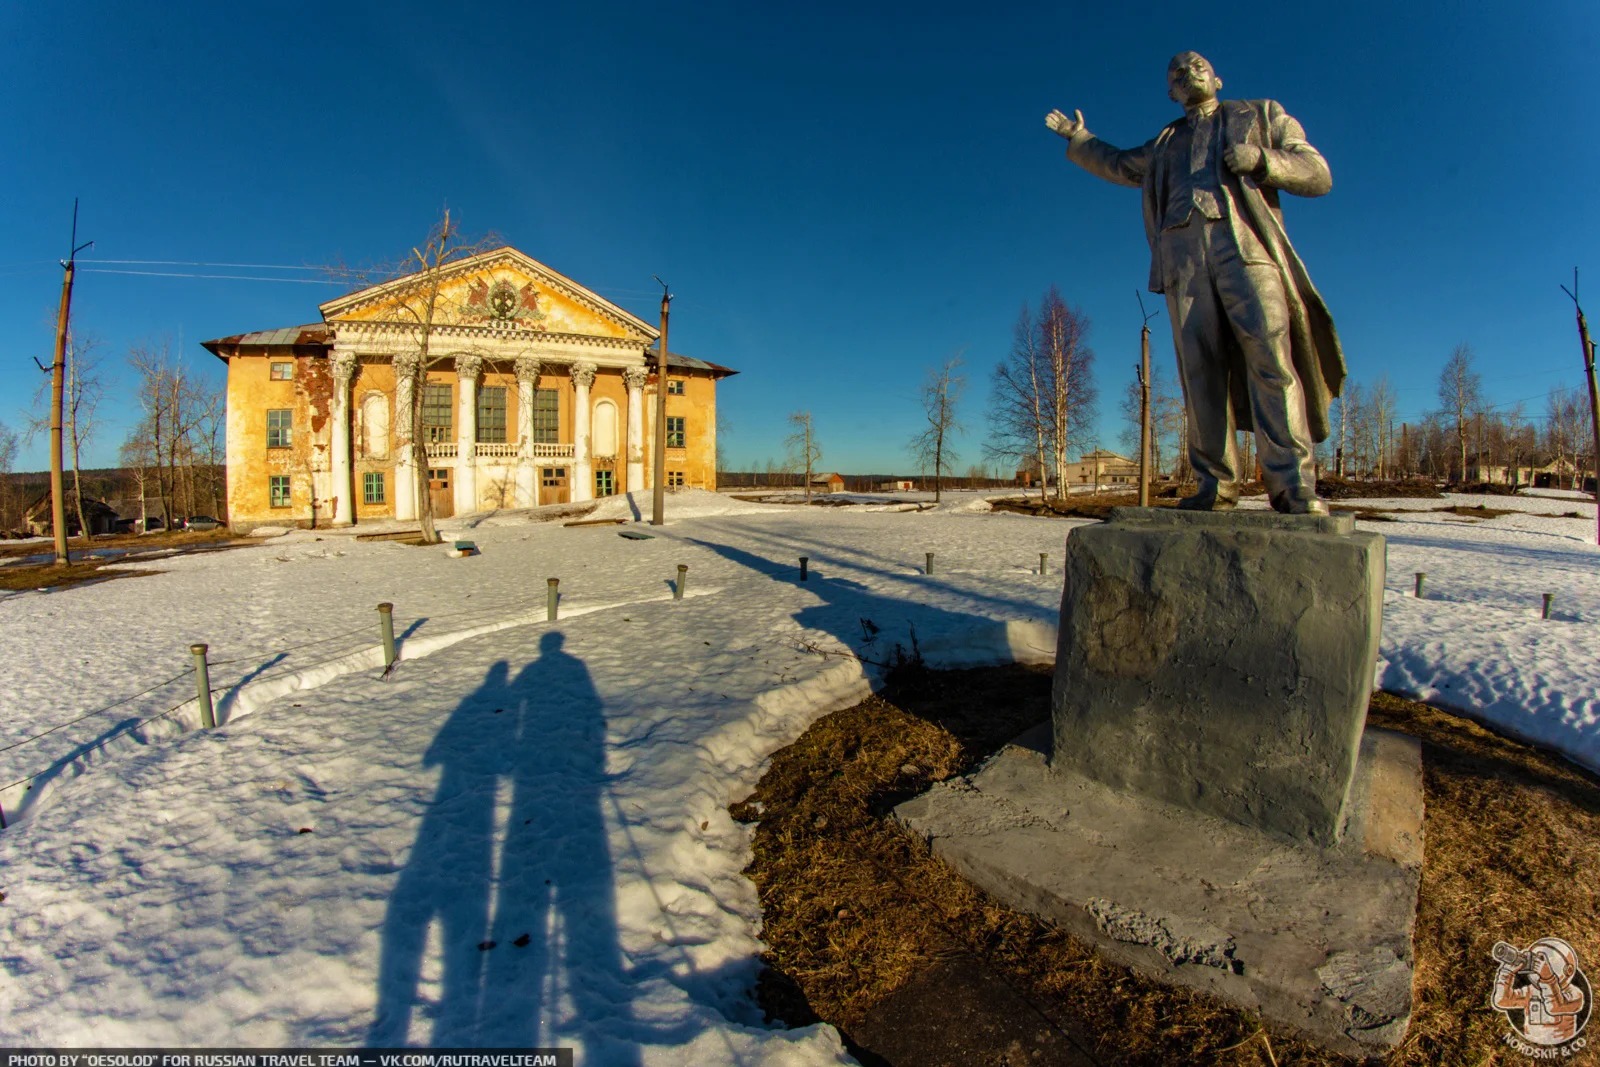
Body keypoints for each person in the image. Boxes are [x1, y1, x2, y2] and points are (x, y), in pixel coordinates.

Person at [1047, 52, 1345, 514]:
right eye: (1177, 74)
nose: (1188, 74)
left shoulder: (1262, 114)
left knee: (1270, 357)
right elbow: (1122, 164)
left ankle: (1292, 484)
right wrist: (1079, 138)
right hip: (1182, 256)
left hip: (1246, 248)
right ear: (1171, 92)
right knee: (1199, 372)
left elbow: (1317, 173)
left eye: (1196, 66)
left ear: (1218, 77)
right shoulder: (1166, 141)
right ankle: (1215, 484)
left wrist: (1261, 159)